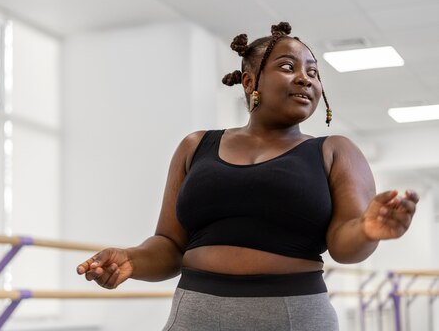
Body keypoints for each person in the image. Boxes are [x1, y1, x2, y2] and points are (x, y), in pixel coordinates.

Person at [76, 22, 419, 330]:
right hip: (195, 314)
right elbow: (170, 245)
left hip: (292, 316)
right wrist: (131, 260)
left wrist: (367, 229)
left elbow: (346, 248)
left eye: (314, 73)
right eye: (288, 67)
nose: (305, 78)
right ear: (250, 81)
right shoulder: (195, 146)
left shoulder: (335, 151)